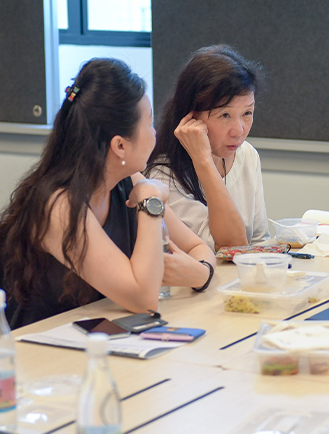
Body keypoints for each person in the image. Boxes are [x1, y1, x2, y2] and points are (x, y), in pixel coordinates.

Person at [0, 58, 216, 329]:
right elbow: (143, 300)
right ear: (120, 146)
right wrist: (150, 201)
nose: (155, 133)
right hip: (38, 347)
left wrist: (200, 274)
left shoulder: (129, 181)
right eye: (149, 123)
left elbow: (198, 248)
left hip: (101, 335)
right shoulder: (59, 206)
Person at [146, 45, 268, 251]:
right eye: (225, 115)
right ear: (191, 117)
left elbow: (259, 241)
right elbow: (231, 247)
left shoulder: (247, 155)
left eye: (247, 113)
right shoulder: (164, 175)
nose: (238, 131)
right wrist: (203, 161)